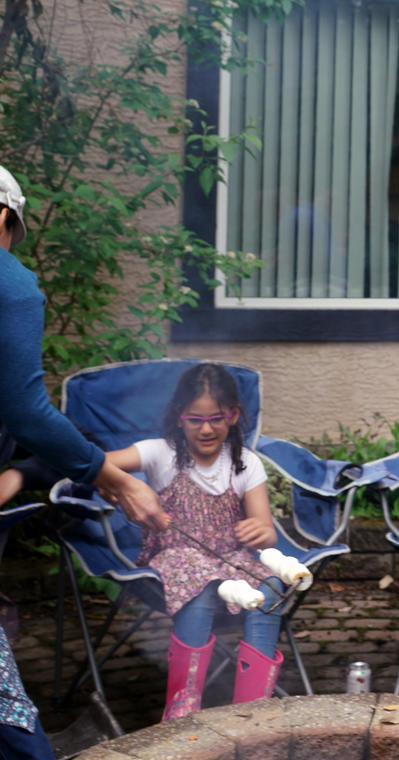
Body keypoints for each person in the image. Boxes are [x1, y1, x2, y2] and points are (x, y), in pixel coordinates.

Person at [0, 165, 167, 758]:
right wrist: (119, 482)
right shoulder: (10, 283)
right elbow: (28, 413)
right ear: (4, 217)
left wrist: (18, 472)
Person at [105, 363, 285, 720]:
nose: (206, 429)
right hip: (175, 559)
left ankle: (252, 705)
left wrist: (261, 533)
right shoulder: (160, 453)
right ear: (179, 416)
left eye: (216, 419)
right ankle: (183, 703)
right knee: (200, 580)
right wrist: (119, 487)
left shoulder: (245, 463)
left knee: (272, 586)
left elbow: (267, 530)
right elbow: (102, 463)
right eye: (195, 420)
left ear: (233, 415)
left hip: (230, 559)